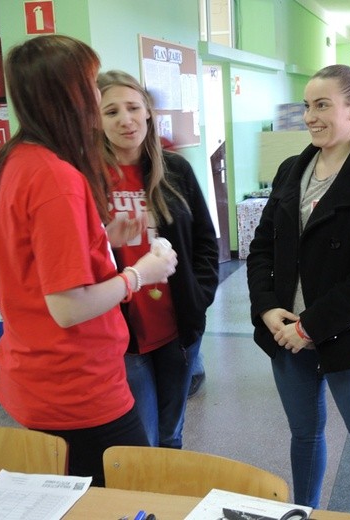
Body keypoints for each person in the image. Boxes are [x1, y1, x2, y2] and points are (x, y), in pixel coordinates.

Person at [0, 35, 177, 486]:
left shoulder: (16, 159)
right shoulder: (57, 177)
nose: (99, 96)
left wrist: (99, 239)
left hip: (38, 373)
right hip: (75, 383)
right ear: (68, 96)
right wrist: (138, 273)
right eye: (92, 85)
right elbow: (68, 307)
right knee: (134, 491)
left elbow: (31, 260)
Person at [247, 64, 350, 507]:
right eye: (307, 106)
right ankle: (306, 512)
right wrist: (268, 309)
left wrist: (310, 326)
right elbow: (260, 249)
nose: (311, 116)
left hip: (349, 336)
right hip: (286, 335)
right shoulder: (290, 171)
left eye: (322, 105)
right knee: (304, 436)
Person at [98, 70, 219, 448]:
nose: (125, 119)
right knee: (141, 439)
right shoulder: (86, 177)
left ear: (148, 113)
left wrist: (199, 295)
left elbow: (204, 239)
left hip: (177, 327)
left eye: (133, 108)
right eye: (111, 111)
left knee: (170, 432)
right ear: (95, 120)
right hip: (121, 331)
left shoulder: (176, 170)